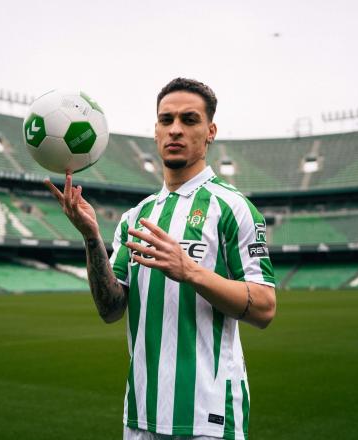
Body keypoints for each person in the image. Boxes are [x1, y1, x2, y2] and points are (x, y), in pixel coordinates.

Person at [45, 78, 276, 440]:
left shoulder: (233, 208)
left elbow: (264, 308)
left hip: (209, 419)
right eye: (166, 120)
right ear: (155, 131)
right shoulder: (135, 217)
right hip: (140, 418)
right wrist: (92, 238)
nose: (176, 130)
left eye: (189, 119)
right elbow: (111, 309)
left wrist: (190, 271)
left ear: (210, 131)